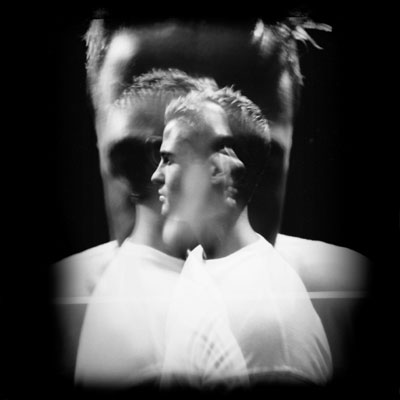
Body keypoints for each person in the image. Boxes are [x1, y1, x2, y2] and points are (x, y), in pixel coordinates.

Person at [151, 88, 332, 386]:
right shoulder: (202, 260)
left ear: (217, 170)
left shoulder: (273, 328)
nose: (155, 176)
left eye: (169, 159)